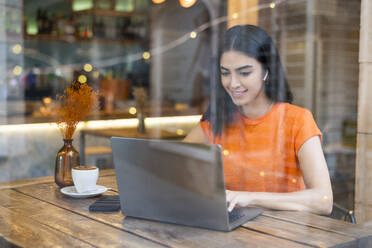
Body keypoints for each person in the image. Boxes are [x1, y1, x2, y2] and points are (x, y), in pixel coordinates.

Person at [184, 25, 333, 215]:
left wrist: (250, 198)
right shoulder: (216, 122)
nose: (233, 83)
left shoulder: (297, 120)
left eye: (244, 73)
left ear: (266, 71)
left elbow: (324, 200)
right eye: (225, 73)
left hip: (285, 237)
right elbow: (174, 172)